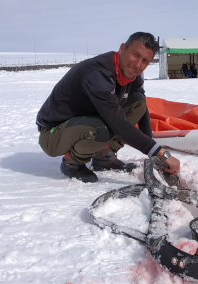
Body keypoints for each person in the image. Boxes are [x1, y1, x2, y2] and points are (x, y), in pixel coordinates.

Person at [36, 32, 180, 183]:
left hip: (85, 122)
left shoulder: (133, 75)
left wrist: (152, 154)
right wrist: (162, 154)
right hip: (53, 133)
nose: (137, 65)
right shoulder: (97, 72)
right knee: (102, 128)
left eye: (145, 60)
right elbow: (116, 121)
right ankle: (71, 162)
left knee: (137, 102)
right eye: (135, 54)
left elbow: (141, 108)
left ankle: (103, 157)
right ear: (122, 48)